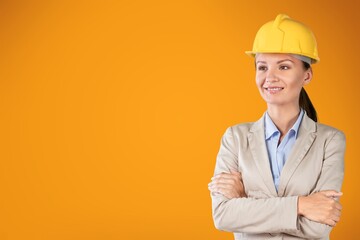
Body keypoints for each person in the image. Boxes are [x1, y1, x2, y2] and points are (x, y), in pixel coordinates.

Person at [208, 14, 345, 240]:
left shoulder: (330, 140)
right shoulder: (235, 138)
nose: (269, 77)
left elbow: (319, 226)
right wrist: (301, 205)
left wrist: (245, 203)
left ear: (307, 75)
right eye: (262, 67)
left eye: (283, 67)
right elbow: (223, 215)